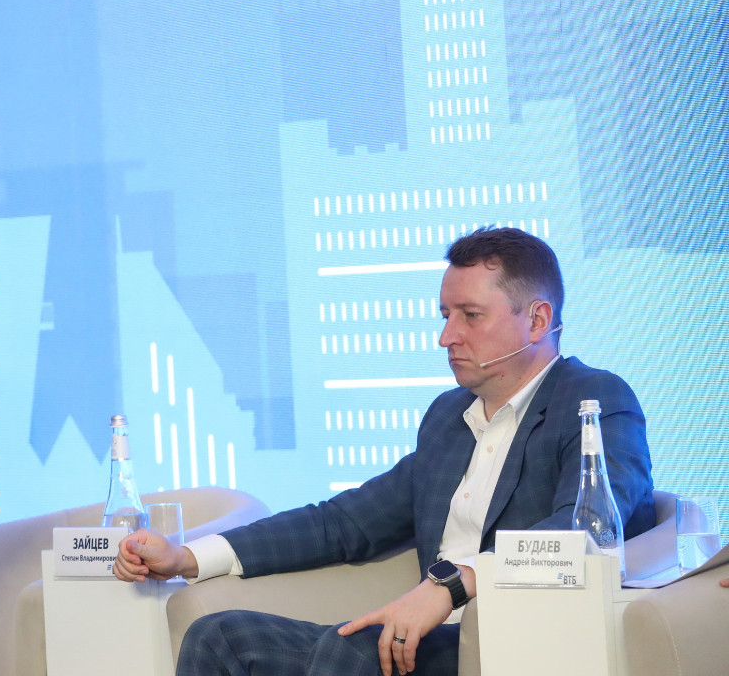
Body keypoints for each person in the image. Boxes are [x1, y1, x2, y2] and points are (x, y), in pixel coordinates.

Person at [115, 227, 656, 676]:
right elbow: (343, 523)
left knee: (356, 652)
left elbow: (589, 527)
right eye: (444, 315)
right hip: (430, 642)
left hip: (523, 640)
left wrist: (453, 584)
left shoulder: (595, 400)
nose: (447, 337)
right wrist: (187, 557)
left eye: (470, 315)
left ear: (536, 320)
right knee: (220, 638)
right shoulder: (448, 417)